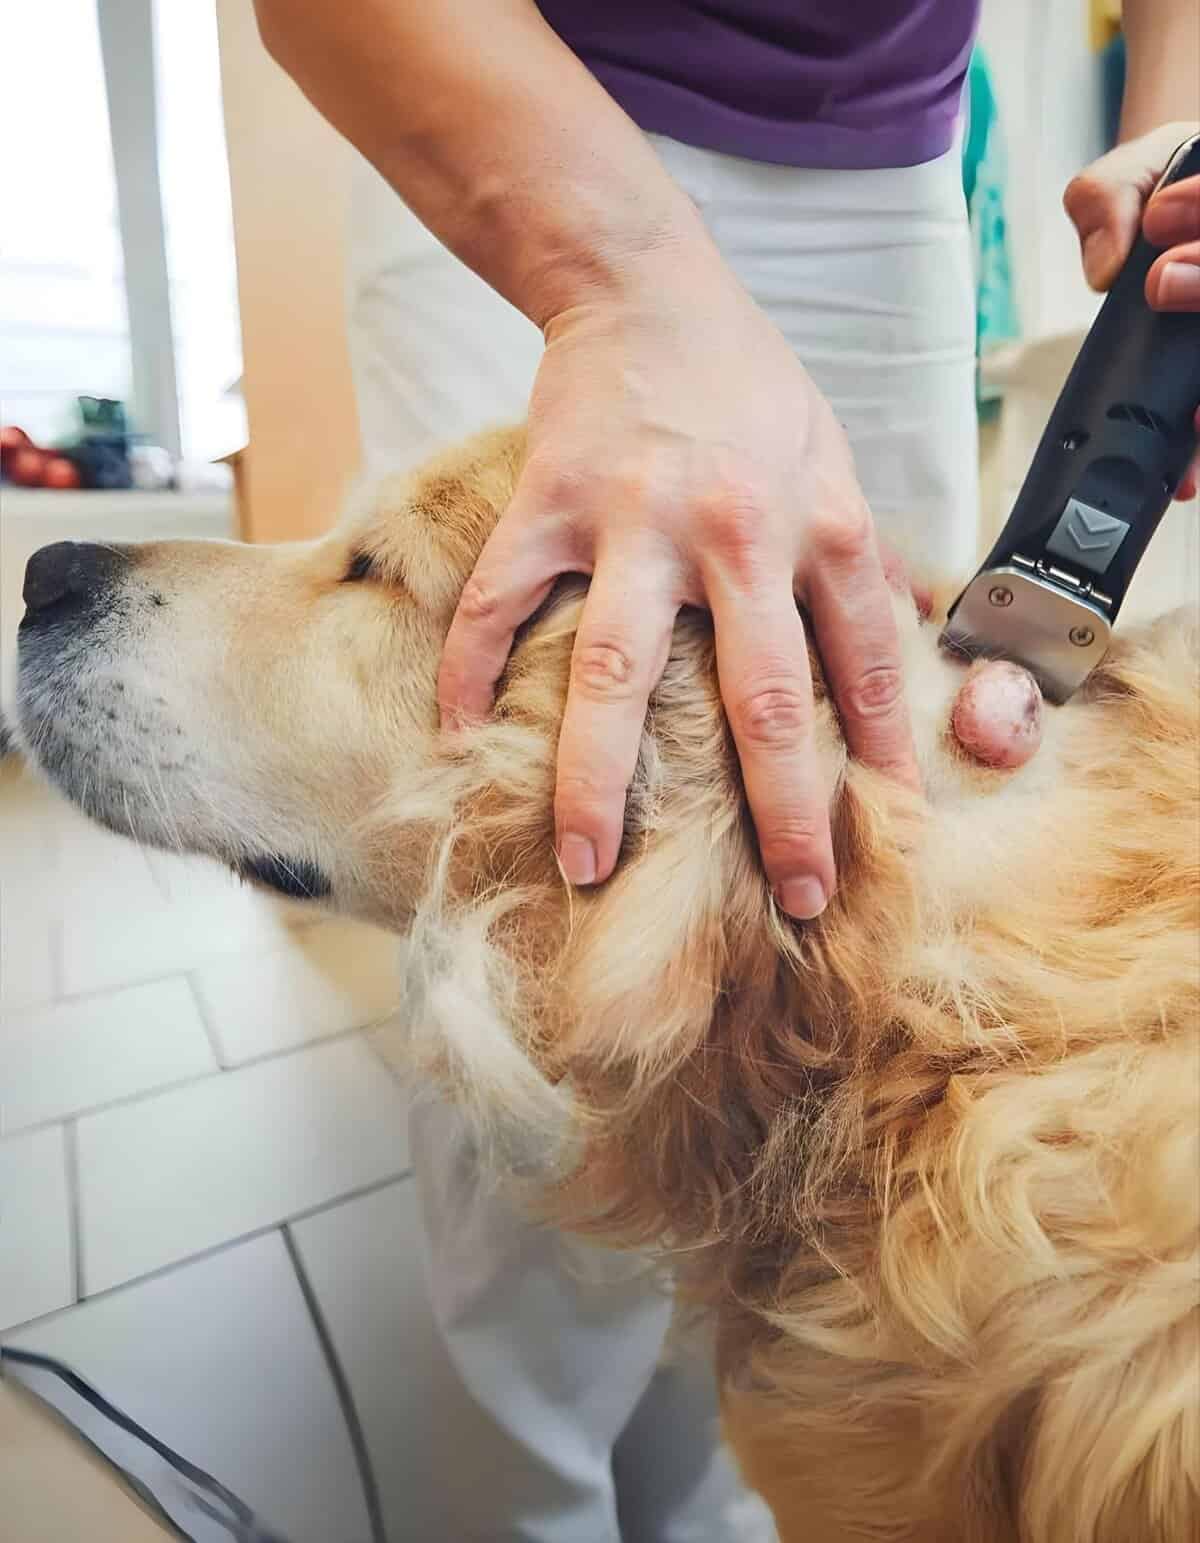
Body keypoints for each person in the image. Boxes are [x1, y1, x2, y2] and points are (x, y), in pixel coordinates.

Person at [254, 2, 1199, 1537]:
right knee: (532, 904)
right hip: (505, 69)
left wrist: (1170, 130)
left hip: (890, 154)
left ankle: (724, 1504)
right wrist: (617, 284)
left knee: (832, 960)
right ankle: (526, 1502)